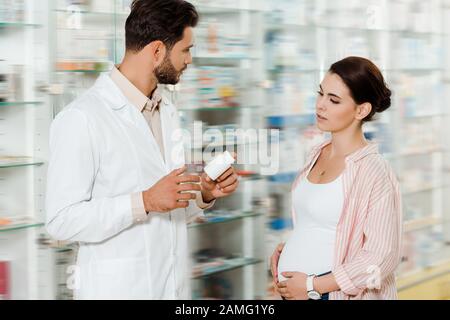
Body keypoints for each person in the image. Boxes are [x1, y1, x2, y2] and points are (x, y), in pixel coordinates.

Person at [45, 0, 239, 299]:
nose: (189, 60)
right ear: (157, 50)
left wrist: (203, 194)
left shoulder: (167, 111)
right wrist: (145, 200)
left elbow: (168, 209)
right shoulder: (81, 118)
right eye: (186, 50)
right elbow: (61, 221)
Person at [270, 56, 402, 300]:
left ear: (361, 110)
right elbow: (320, 225)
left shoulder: (374, 172)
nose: (320, 105)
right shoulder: (316, 154)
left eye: (334, 100)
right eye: (320, 94)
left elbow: (380, 258)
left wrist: (313, 285)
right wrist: (288, 249)